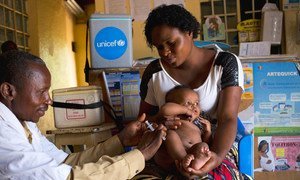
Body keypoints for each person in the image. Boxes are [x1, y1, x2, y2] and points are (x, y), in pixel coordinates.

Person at [0, 50, 167, 179]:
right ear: (8, 91)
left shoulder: (24, 122)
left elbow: (65, 163)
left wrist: (121, 140)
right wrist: (141, 154)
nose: (49, 100)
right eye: (41, 92)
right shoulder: (2, 132)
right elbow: (68, 178)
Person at [140, 4, 248, 179]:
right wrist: (160, 126)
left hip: (211, 147)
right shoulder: (154, 72)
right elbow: (144, 121)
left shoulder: (225, 64)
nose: (165, 52)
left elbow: (228, 118)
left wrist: (216, 157)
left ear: (189, 32)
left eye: (171, 43)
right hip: (165, 149)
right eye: (159, 47)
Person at [153, 85, 212, 176]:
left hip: (192, 156)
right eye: (188, 103)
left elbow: (206, 142)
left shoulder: (198, 124)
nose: (193, 106)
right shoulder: (173, 118)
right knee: (170, 134)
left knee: (203, 146)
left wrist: (208, 132)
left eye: (196, 103)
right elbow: (165, 109)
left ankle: (195, 165)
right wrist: (186, 111)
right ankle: (183, 160)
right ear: (174, 105)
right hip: (171, 156)